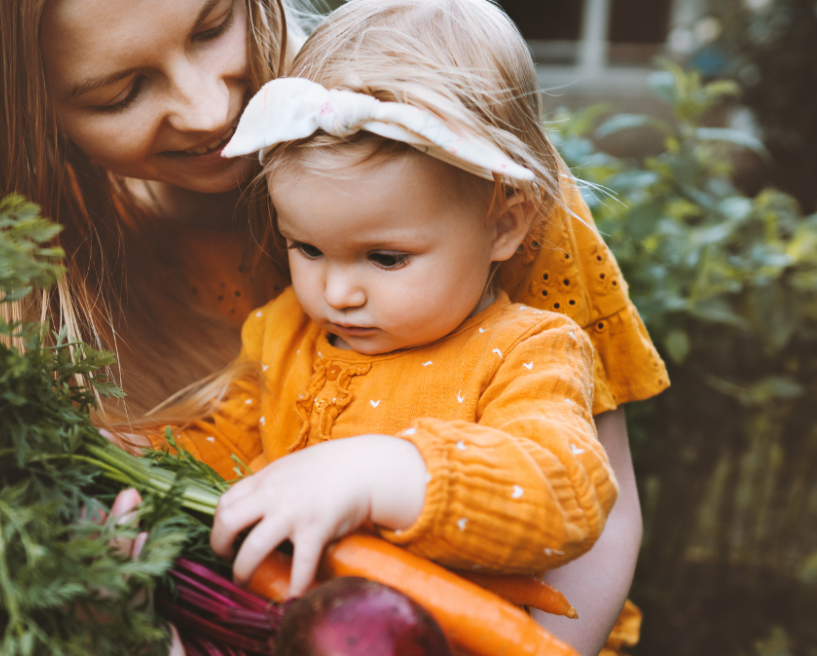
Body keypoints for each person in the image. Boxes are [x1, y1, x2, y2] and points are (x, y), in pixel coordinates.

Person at [0, 0, 667, 651]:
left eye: (211, 26)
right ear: (25, 105)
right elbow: (215, 482)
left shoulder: (455, 152)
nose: (211, 110)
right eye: (120, 91)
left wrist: (384, 474)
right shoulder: (264, 331)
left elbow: (587, 493)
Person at [139, 0, 615, 602]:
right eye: (306, 248)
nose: (336, 293)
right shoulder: (281, 331)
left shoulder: (525, 351)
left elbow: (567, 491)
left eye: (386, 258)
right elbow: (226, 448)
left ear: (503, 225)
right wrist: (144, 475)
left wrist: (379, 474)